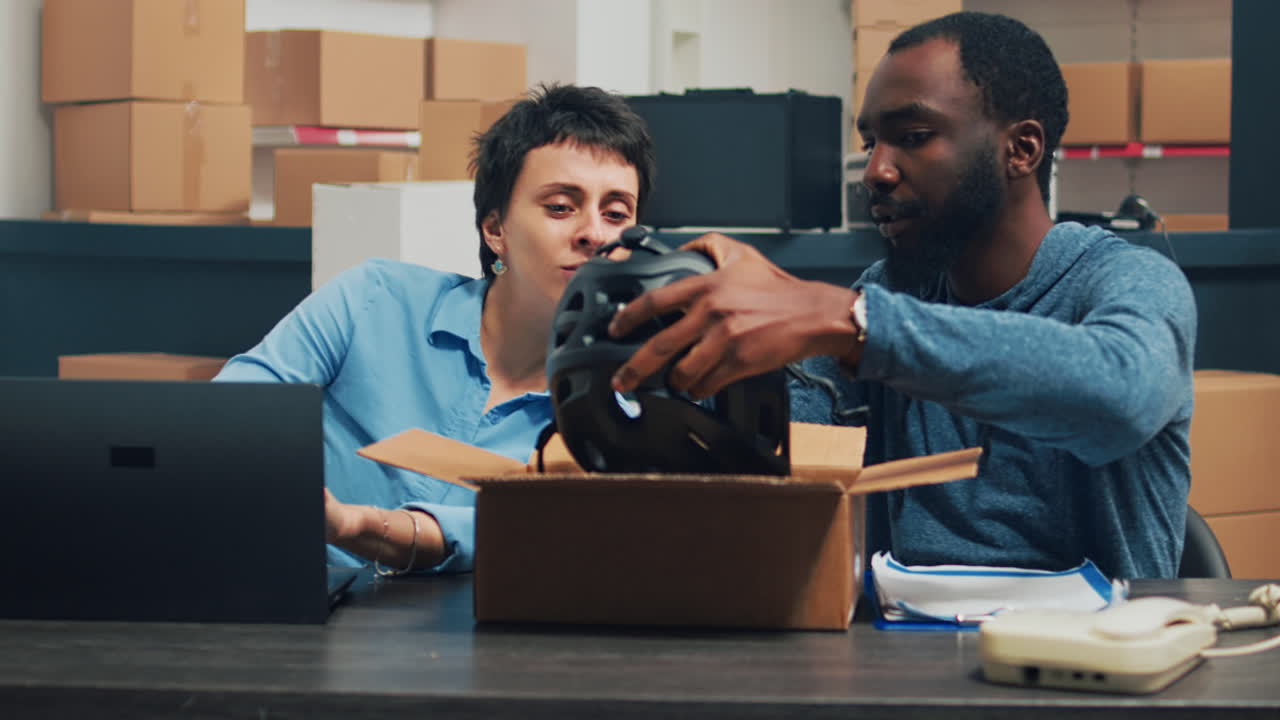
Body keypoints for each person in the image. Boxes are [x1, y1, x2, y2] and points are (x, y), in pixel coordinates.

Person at [608, 12, 1195, 579]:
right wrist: (661, 352)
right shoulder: (889, 292)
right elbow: (792, 434)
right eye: (871, 144)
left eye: (913, 137)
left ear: (1022, 149)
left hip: (1097, 644)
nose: (876, 173)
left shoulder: (1128, 280)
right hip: (908, 642)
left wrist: (854, 322)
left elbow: (1121, 397)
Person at [215, 84, 655, 573]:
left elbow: (548, 528)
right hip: (281, 586)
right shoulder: (372, 300)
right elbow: (225, 416)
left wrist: (360, 526)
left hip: (471, 617)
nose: (594, 233)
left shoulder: (628, 402)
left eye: (616, 214)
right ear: (496, 230)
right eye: (560, 207)